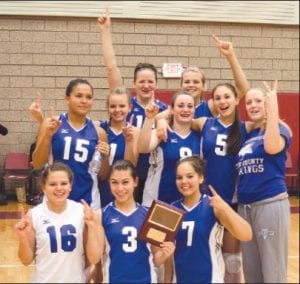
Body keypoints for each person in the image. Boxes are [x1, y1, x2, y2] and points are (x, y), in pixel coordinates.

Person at [158, 82, 251, 283]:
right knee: (188, 250)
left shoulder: (246, 127)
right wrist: (160, 121)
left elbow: (269, 120)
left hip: (229, 201)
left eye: (227, 97)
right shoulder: (204, 123)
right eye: (217, 98)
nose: (222, 101)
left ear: (236, 100)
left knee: (232, 261)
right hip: (205, 200)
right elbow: (176, 116)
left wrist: (230, 55)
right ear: (212, 102)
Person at [97, 8, 168, 203]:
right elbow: (112, 67)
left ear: (156, 83)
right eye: (141, 81)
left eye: (150, 81)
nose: (146, 85)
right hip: (123, 175)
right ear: (134, 83)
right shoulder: (126, 104)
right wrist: (105, 32)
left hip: (150, 175)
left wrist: (161, 122)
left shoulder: (162, 109)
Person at [236, 80, 292, 283]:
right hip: (245, 208)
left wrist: (273, 109)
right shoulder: (248, 133)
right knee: (252, 273)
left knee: (273, 272)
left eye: (258, 101)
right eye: (249, 102)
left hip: (269, 204)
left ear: (267, 103)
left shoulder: (279, 128)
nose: (252, 105)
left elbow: (271, 147)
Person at [164, 155, 252, 283]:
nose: (184, 181)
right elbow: (168, 254)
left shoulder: (214, 206)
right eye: (179, 177)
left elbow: (247, 234)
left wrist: (226, 208)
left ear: (201, 177)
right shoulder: (172, 209)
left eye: (190, 176)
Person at [15, 162, 104, 283]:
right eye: (52, 184)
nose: (59, 188)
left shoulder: (81, 212)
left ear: (70, 186)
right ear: (43, 187)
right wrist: (23, 238)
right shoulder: (34, 215)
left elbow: (94, 259)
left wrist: (93, 227)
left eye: (64, 183)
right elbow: (25, 261)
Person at [32, 78, 110, 209]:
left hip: (87, 202)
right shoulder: (50, 124)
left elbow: (102, 175)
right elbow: (37, 163)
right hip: (55, 200)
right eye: (79, 96)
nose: (84, 101)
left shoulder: (99, 132)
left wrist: (106, 156)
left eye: (89, 97)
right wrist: (47, 136)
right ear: (67, 99)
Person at [102, 159, 175, 283]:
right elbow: (97, 259)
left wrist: (164, 254)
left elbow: (156, 259)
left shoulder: (149, 214)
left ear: (135, 182)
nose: (120, 188)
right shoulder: (102, 214)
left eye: (125, 182)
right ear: (109, 183)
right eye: (114, 182)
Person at [138, 91, 201, 207]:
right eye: (180, 106)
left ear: (194, 110)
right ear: (171, 109)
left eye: (190, 106)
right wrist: (149, 119)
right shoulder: (161, 132)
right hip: (157, 202)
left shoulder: (199, 136)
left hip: (187, 204)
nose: (185, 110)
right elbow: (143, 148)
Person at [99, 86, 139, 207]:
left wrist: (129, 141)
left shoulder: (135, 132)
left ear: (130, 107)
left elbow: (130, 165)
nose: (117, 110)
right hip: (101, 190)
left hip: (123, 192)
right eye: (113, 106)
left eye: (122, 106)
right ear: (107, 108)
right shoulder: (99, 129)